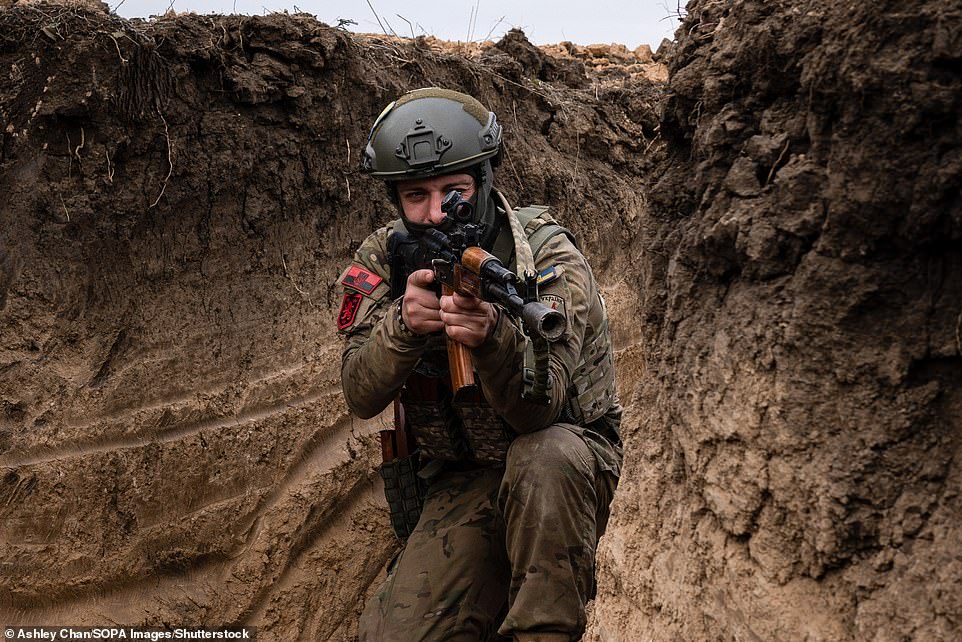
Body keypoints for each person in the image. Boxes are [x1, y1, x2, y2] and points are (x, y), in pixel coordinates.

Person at [336, 87, 622, 642]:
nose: (436, 211)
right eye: (415, 194)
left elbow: (541, 413)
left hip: (563, 468)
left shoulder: (548, 260)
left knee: (545, 456)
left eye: (454, 190)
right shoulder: (382, 255)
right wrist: (404, 325)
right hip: (463, 473)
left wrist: (493, 339)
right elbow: (359, 394)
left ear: (485, 180)